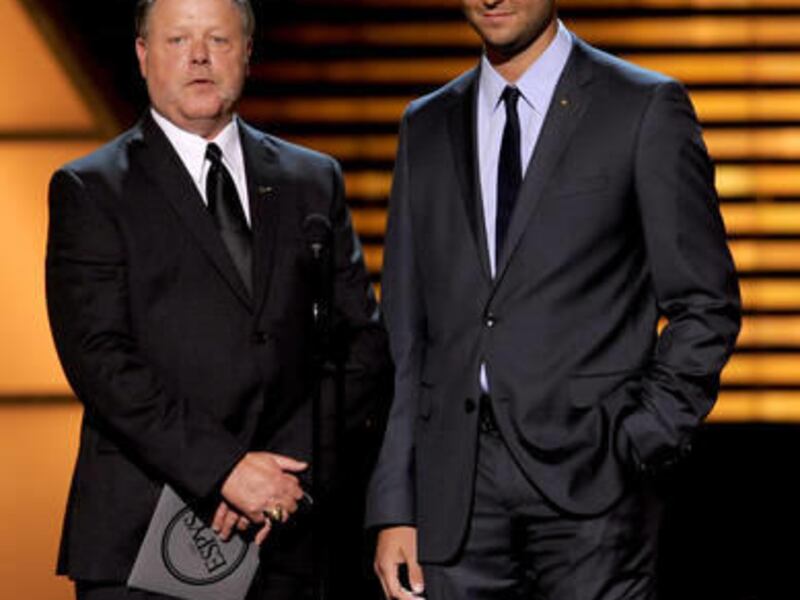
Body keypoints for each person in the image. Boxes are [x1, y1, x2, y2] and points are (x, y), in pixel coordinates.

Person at [366, 1, 741, 598]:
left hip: (595, 481)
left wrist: (641, 438)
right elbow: (407, 332)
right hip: (454, 488)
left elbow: (706, 302)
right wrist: (395, 502)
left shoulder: (641, 107)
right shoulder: (427, 124)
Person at [46, 0, 390, 598]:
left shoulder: (313, 178)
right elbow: (99, 359)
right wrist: (224, 469)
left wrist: (280, 470)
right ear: (143, 54)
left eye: (219, 40)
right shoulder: (92, 189)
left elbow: (361, 345)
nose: (200, 57)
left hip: (289, 527)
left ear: (248, 52)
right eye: (179, 40)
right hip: (145, 534)